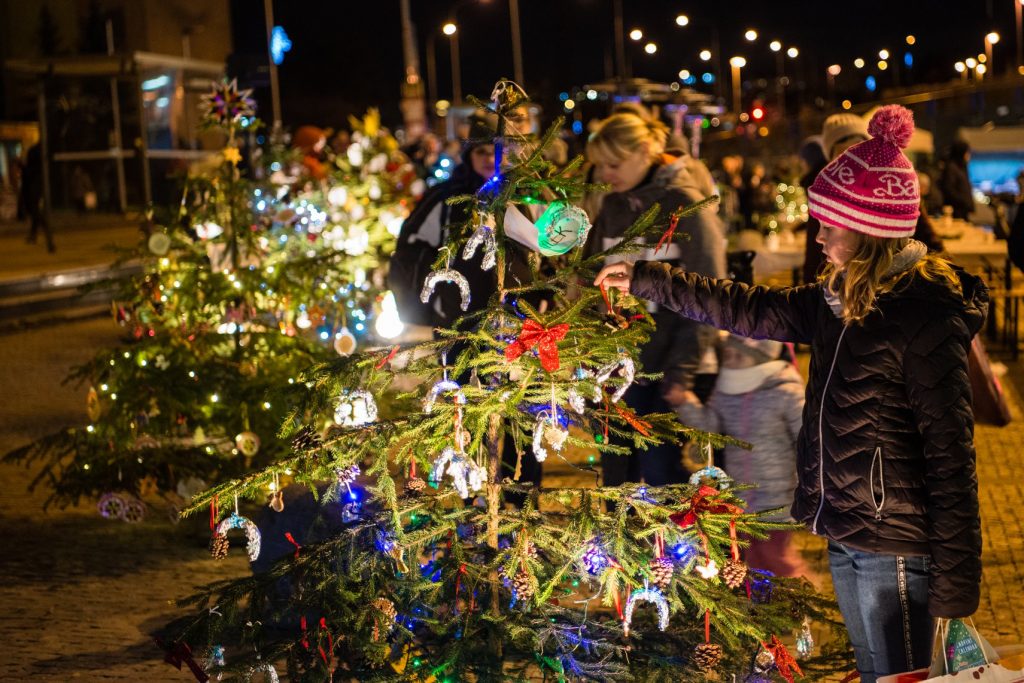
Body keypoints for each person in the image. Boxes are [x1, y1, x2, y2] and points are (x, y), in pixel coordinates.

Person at [595, 106, 985, 682]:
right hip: (847, 528)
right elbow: (750, 308)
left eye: (831, 224)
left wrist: (956, 585)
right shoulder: (836, 298)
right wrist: (651, 278)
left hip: (897, 544)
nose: (819, 236)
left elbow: (952, 455)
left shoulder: (923, 314)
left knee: (899, 677)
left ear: (871, 230)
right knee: (878, 673)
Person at [584, 110, 726, 486]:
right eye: (601, 166)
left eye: (614, 164)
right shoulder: (614, 206)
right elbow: (589, 276)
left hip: (671, 370)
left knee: (665, 475)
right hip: (619, 370)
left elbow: (708, 296)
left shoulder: (685, 206)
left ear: (645, 150)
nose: (605, 175)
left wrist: (682, 373)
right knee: (619, 476)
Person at [666, 334, 808, 578]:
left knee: (776, 556)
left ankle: (798, 602)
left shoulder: (785, 391)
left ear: (757, 358)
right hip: (741, 495)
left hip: (776, 495)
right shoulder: (726, 391)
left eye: (737, 355)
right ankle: (762, 605)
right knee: (749, 556)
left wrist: (807, 483)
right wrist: (687, 403)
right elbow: (712, 427)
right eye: (727, 355)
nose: (730, 361)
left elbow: (805, 438)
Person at [802, 113, 870, 282]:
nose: (851, 159)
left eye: (858, 148)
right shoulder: (824, 196)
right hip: (842, 289)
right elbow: (814, 253)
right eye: (842, 152)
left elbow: (926, 240)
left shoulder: (892, 190)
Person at [20, 143, 56, 253]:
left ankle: (46, 234)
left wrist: (22, 166)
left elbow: (29, 172)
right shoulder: (39, 157)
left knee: (35, 211)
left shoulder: (34, 163)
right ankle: (34, 235)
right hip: (35, 185)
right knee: (35, 211)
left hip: (34, 186)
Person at [939, 139, 975, 220]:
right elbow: (949, 189)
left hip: (962, 210)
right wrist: (963, 202)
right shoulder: (952, 168)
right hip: (956, 212)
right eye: (967, 152)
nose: (968, 155)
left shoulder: (961, 167)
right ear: (961, 153)